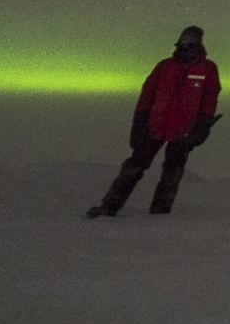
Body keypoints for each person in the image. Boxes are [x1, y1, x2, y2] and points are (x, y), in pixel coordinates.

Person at [86, 26, 222, 218]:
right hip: (154, 127)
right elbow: (147, 94)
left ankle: (159, 214)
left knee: (172, 174)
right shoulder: (165, 66)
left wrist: (202, 126)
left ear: (199, 43)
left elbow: (210, 98)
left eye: (190, 40)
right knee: (133, 168)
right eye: (184, 40)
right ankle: (109, 207)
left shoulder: (208, 69)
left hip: (183, 132)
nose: (186, 43)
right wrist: (139, 122)